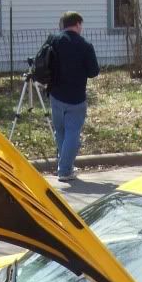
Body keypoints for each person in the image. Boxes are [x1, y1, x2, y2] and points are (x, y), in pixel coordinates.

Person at [47, 12, 99, 183]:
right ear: (77, 24)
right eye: (81, 25)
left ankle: (66, 167)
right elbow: (93, 72)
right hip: (76, 97)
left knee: (60, 131)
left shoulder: (53, 40)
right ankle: (64, 170)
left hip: (55, 94)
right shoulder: (85, 45)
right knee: (72, 133)